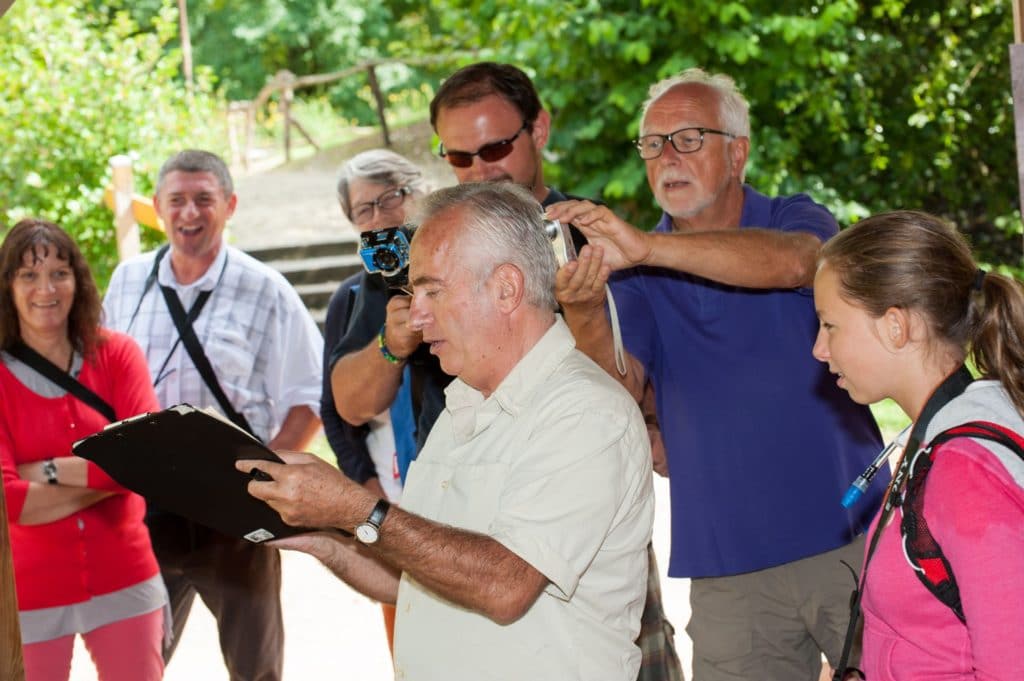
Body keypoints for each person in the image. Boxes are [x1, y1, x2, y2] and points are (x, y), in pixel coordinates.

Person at [328, 62, 681, 678]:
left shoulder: (600, 237)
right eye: (459, 157)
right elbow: (349, 403)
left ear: (538, 130)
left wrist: (586, 308)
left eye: (494, 147)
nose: (481, 168)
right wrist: (316, 527)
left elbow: (620, 405)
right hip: (458, 507)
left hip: (565, 512)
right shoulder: (432, 246)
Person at [547, 67, 885, 680]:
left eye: (687, 138)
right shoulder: (632, 271)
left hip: (855, 536)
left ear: (739, 153)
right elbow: (617, 394)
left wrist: (649, 250)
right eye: (652, 143)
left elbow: (799, 265)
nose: (665, 157)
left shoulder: (794, 217)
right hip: (728, 564)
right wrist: (588, 310)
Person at [242, 182, 655, 680]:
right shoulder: (461, 405)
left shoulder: (584, 411)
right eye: (414, 293)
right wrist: (323, 534)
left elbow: (505, 584)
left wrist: (353, 507)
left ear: (506, 288)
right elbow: (417, 572)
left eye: (433, 290)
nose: (415, 315)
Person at [102, 150, 323, 681]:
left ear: (230, 205)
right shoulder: (127, 281)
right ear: (156, 207)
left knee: (255, 666)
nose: (189, 213)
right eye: (176, 200)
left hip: (232, 509)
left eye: (204, 199)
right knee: (133, 661)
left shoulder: (266, 289)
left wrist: (268, 484)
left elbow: (308, 394)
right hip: (143, 505)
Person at [812, 210, 1024, 680]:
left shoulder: (965, 473)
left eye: (830, 326)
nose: (818, 350)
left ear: (895, 326)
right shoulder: (936, 439)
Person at [0, 219, 167, 681]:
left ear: (78, 279)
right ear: (8, 287)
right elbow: (9, 500)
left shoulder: (118, 355)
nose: (46, 288)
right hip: (28, 596)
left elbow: (149, 461)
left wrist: (46, 471)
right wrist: (113, 477)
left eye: (59, 272)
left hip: (126, 576)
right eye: (28, 275)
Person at [321, 149, 428, 653]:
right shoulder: (350, 299)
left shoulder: (457, 273)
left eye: (392, 198)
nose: (381, 217)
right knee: (411, 644)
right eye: (364, 210)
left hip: (458, 493)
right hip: (390, 496)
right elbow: (335, 411)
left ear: (421, 191)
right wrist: (366, 491)